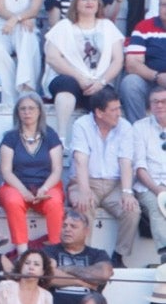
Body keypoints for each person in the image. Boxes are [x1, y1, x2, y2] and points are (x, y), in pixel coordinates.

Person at [68, 86, 138, 266]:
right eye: (114, 110)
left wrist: (127, 191)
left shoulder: (125, 127)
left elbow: (126, 161)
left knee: (132, 210)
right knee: (82, 206)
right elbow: (80, 159)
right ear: (99, 112)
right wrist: (84, 190)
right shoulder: (82, 124)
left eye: (119, 108)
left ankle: (118, 256)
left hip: (114, 184)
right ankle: (82, 256)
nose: (119, 113)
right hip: (85, 181)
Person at [45, 0, 125, 141]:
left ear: (99, 4)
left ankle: (102, 141)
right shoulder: (64, 26)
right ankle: (61, 138)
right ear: (75, 3)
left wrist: (101, 82)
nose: (90, 2)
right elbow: (52, 57)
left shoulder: (107, 26)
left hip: (98, 81)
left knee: (104, 98)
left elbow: (118, 60)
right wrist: (80, 78)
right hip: (69, 78)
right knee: (67, 85)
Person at [0, 92, 65, 255]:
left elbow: (57, 169)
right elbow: (6, 171)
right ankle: (23, 252)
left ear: (39, 111)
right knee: (13, 201)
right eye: (22, 109)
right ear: (17, 113)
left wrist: (44, 189)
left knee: (55, 201)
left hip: (46, 185)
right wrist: (24, 192)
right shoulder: (10, 137)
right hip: (16, 186)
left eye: (31, 108)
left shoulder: (50, 135)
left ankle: (55, 250)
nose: (27, 112)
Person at [43, 209, 113, 304]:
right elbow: (48, 275)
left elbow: (103, 274)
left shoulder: (98, 254)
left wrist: (68, 268)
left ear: (86, 231)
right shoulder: (49, 250)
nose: (67, 229)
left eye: (73, 226)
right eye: (64, 226)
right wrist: (81, 282)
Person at [133, 85, 166, 264]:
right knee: (157, 205)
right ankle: (165, 255)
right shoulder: (140, 127)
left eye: (163, 101)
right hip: (147, 186)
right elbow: (139, 167)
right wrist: (158, 189)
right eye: (155, 102)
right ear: (150, 106)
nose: (159, 105)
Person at [122, 0, 166, 124]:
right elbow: (132, 64)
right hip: (150, 81)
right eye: (163, 5)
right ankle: (140, 131)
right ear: (158, 7)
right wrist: (157, 76)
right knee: (130, 83)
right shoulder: (144, 27)